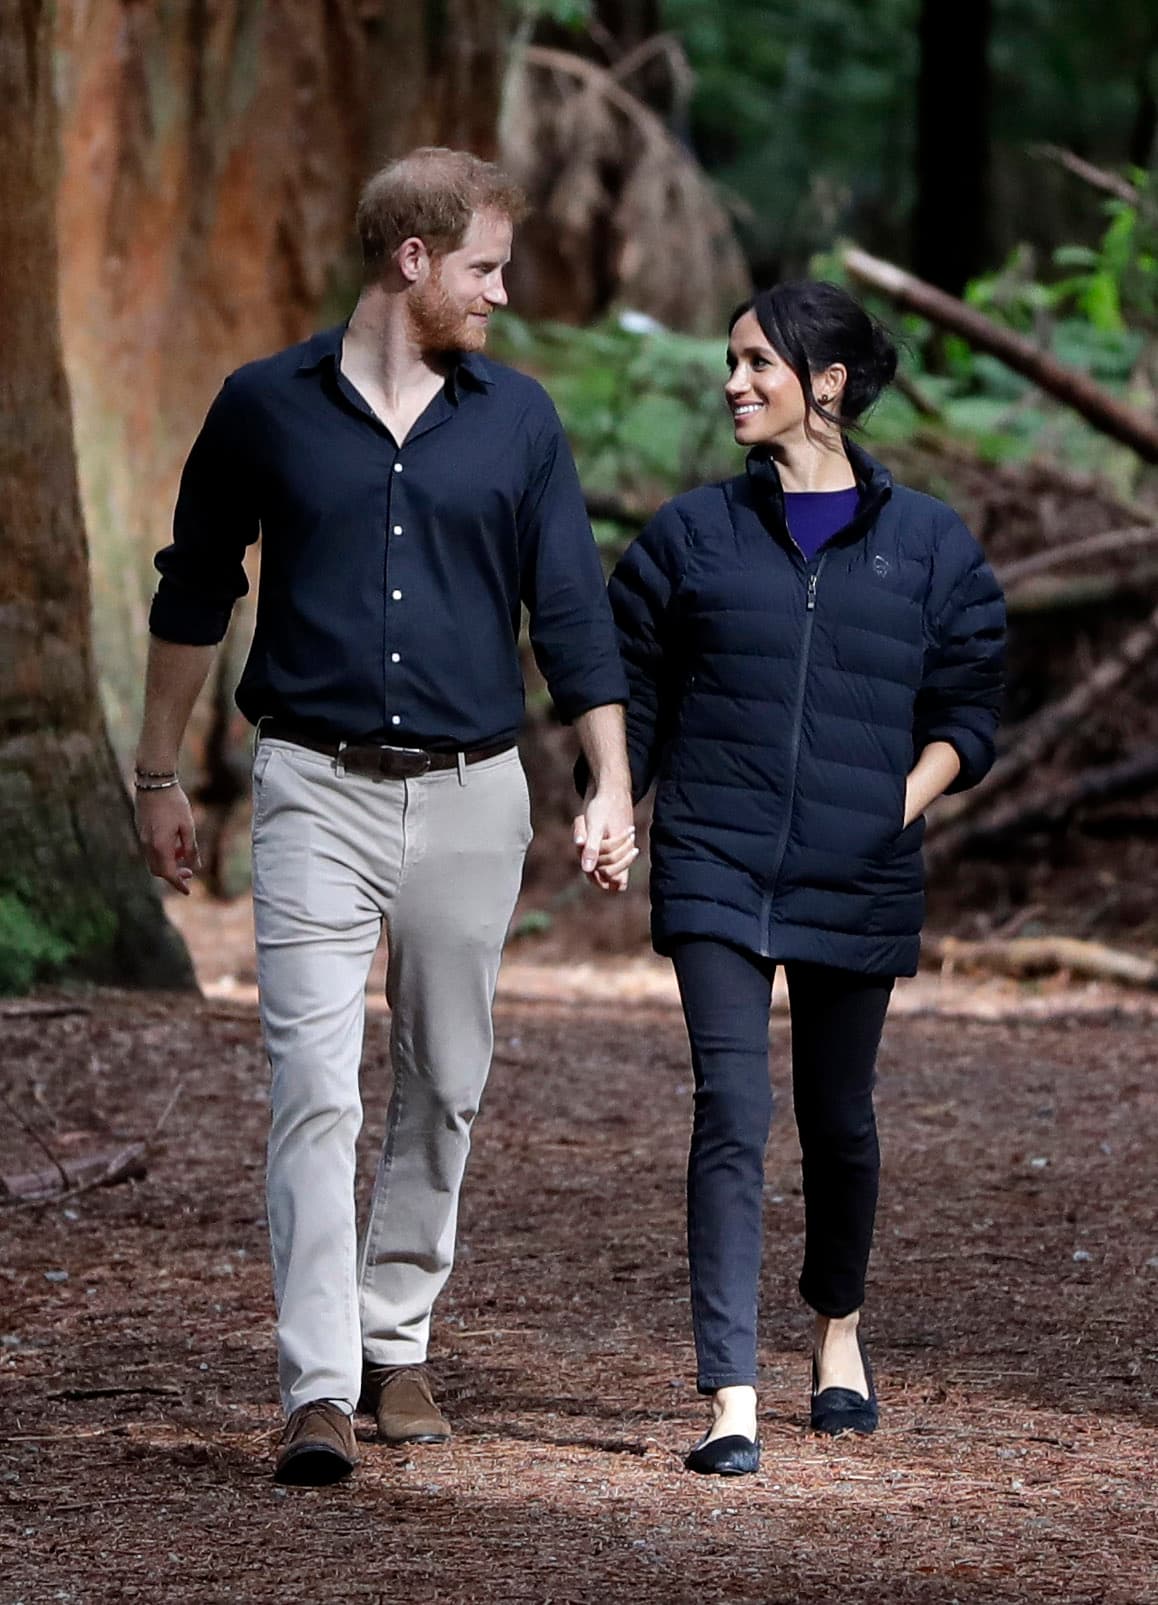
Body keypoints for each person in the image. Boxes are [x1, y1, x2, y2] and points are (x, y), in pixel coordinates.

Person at [134, 147, 637, 1486]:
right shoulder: (262, 409)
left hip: (475, 793)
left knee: (443, 1086)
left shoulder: (517, 422)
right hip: (311, 785)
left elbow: (572, 612)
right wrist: (155, 771)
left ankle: (392, 1338)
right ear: (410, 261)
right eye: (483, 267)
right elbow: (193, 590)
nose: (502, 292)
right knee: (310, 1090)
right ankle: (314, 1386)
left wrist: (610, 780)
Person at [598, 281, 1004, 1475]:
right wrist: (615, 798)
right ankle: (730, 1393)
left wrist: (895, 803)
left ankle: (837, 1332)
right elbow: (628, 685)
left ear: (825, 385)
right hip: (717, 858)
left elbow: (969, 708)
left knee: (840, 1121)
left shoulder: (929, 544)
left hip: (859, 867)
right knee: (730, 1112)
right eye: (732, 362)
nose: (734, 383)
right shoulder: (690, 536)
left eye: (757, 364)